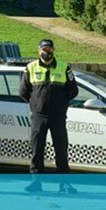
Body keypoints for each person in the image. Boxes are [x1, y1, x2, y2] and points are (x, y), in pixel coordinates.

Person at [19, 38, 78, 193]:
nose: (47, 53)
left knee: (61, 150)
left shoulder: (64, 68)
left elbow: (73, 91)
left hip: (58, 116)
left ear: (53, 50)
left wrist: (61, 104)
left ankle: (64, 184)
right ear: (39, 51)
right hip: (39, 116)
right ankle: (36, 183)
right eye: (44, 50)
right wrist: (36, 105)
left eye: (49, 50)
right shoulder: (30, 68)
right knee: (37, 149)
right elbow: (23, 92)